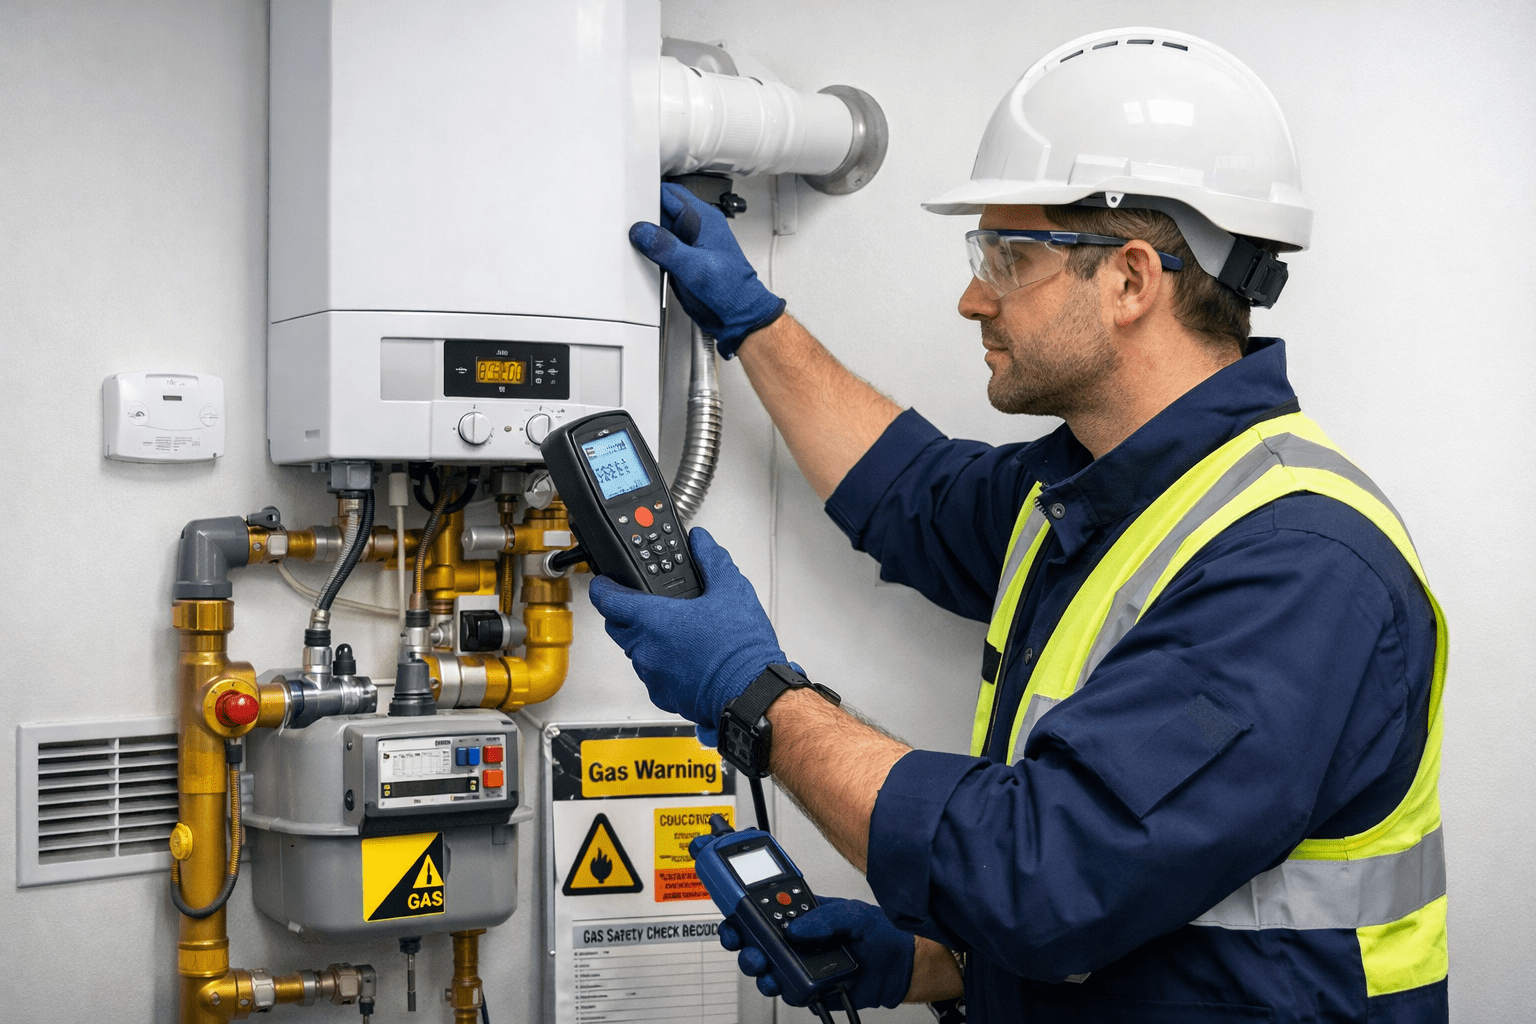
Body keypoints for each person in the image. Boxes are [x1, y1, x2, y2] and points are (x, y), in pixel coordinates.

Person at [589, 26, 1448, 1024]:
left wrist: (756, 697)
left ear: (1131, 280)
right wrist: (753, 322)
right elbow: (911, 494)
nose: (970, 296)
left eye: (1007, 253)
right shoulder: (1096, 489)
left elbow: (1044, 879)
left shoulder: (1297, 571)